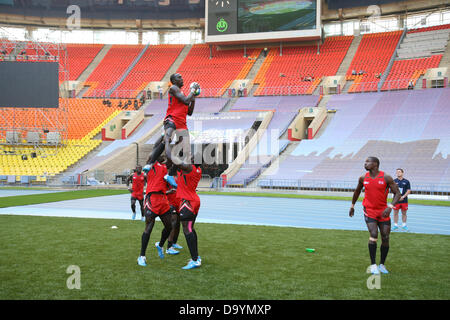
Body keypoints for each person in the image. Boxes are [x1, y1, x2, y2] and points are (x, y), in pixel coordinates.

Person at [349, 157, 401, 275]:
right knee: (373, 234)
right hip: (369, 210)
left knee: (385, 237)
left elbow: (397, 193)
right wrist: (352, 205)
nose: (365, 163)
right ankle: (373, 265)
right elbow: (357, 191)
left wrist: (390, 207)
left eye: (368, 162)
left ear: (375, 164)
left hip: (383, 211)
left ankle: (382, 264)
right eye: (365, 161)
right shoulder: (363, 178)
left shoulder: (386, 177)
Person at [145, 73, 199, 168]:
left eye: (182, 77)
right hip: (173, 118)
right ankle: (150, 163)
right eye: (179, 77)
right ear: (174, 81)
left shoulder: (182, 93)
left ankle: (169, 173)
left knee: (183, 148)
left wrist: (193, 99)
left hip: (182, 122)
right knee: (167, 140)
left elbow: (189, 112)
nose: (182, 78)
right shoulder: (173, 88)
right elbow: (186, 101)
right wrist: (193, 90)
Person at [137, 155, 173, 267]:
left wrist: (173, 143)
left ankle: (160, 245)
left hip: (162, 199)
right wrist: (164, 139)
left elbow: (171, 158)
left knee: (169, 226)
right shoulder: (150, 164)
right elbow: (155, 151)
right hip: (152, 200)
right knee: (149, 228)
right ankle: (142, 256)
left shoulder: (164, 167)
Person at [175, 153, 203, 270]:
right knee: (191, 229)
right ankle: (196, 257)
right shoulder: (197, 169)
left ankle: (195, 260)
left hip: (188, 202)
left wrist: (167, 141)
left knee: (187, 230)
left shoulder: (190, 168)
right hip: (193, 200)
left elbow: (174, 159)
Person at [165, 166, 183, 255]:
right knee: (173, 224)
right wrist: (169, 191)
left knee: (178, 224)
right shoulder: (167, 178)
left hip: (179, 202)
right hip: (170, 203)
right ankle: (169, 247)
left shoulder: (180, 176)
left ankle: (174, 243)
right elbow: (162, 191)